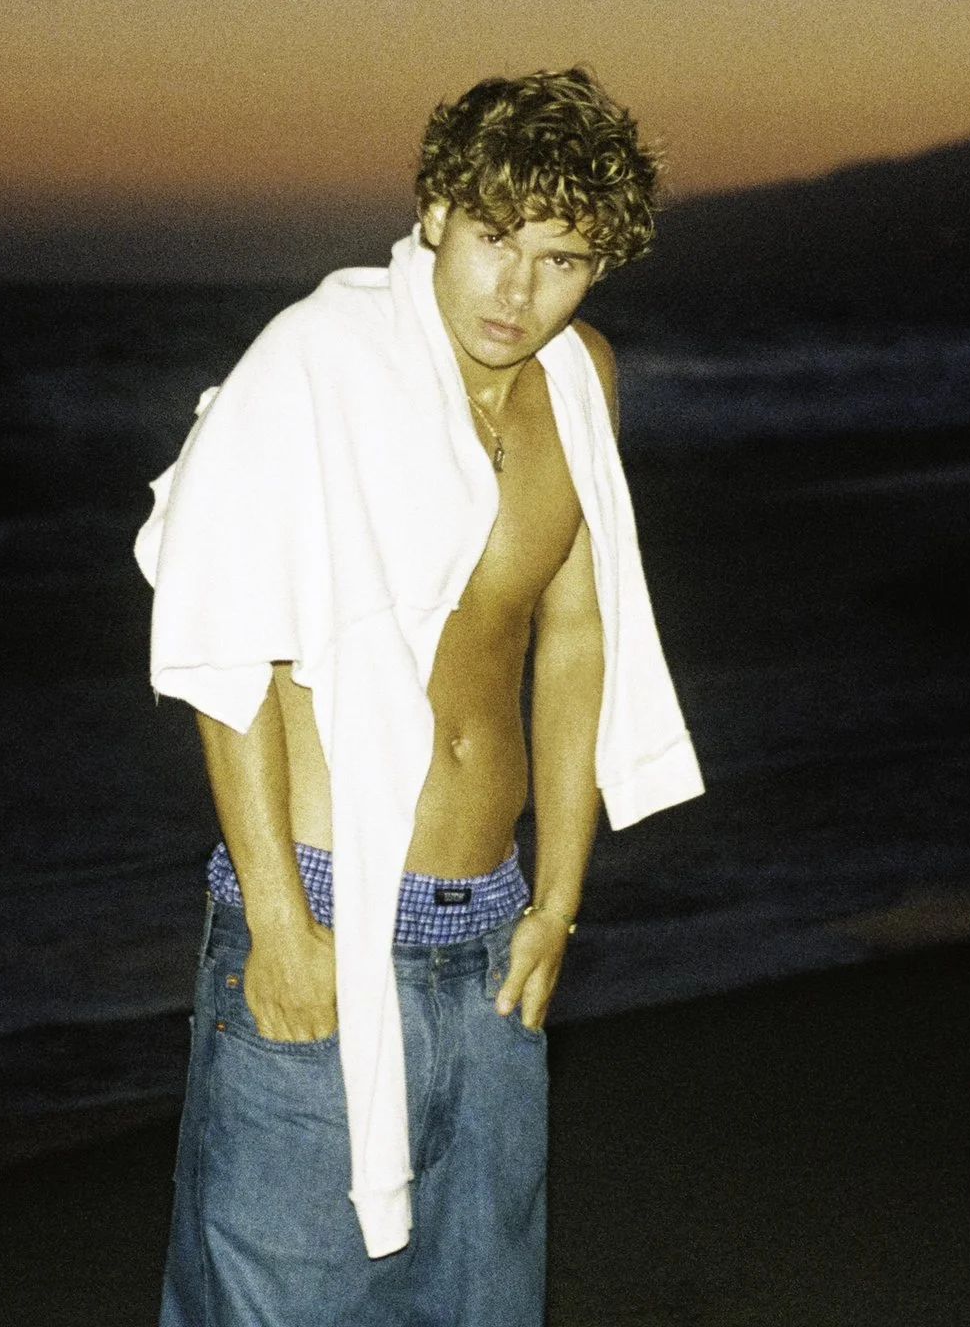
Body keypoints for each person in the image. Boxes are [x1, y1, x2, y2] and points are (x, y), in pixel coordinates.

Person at [136, 68, 703, 1326]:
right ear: (438, 208)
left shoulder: (580, 381)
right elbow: (228, 650)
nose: (519, 291)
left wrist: (558, 898)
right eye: (497, 238)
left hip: (491, 931)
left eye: (561, 258)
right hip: (328, 912)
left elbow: (574, 636)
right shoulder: (318, 363)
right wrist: (282, 932)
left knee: (477, 1307)